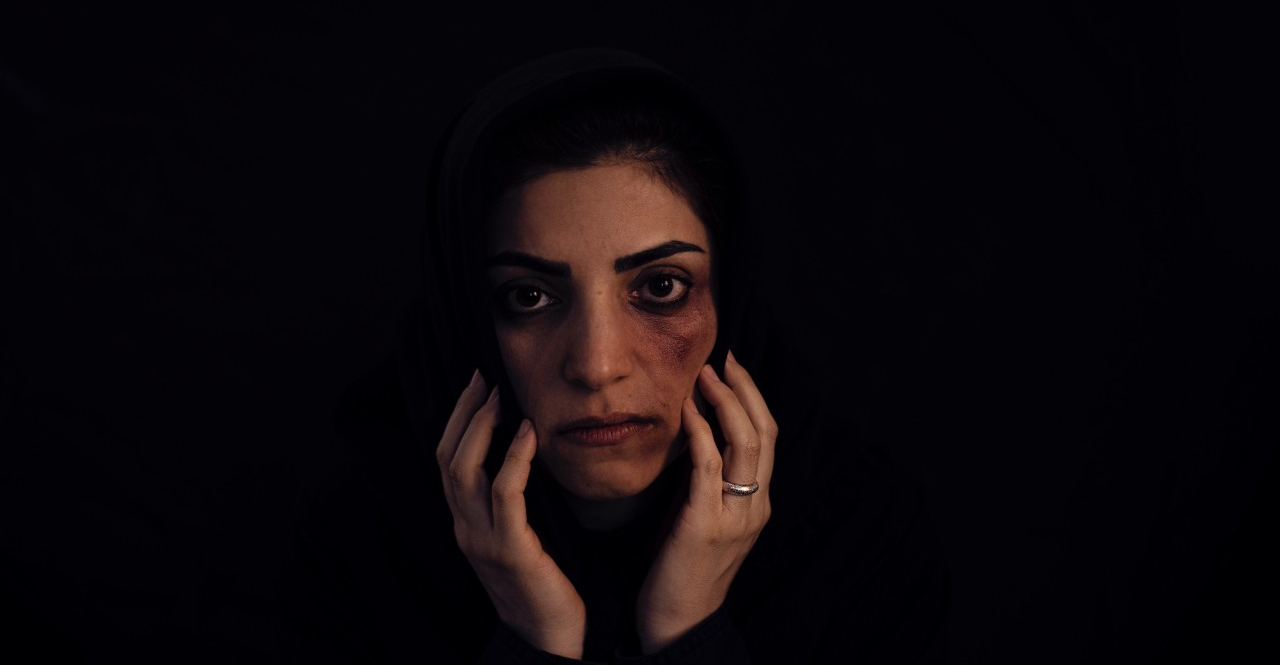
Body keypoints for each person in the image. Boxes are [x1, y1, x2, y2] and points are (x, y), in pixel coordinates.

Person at [278, 48, 950, 663]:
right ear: (468, 320)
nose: (598, 366)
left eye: (661, 288)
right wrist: (531, 643)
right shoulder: (353, 553)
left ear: (730, 296)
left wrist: (690, 631)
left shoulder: (862, 544)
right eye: (529, 297)